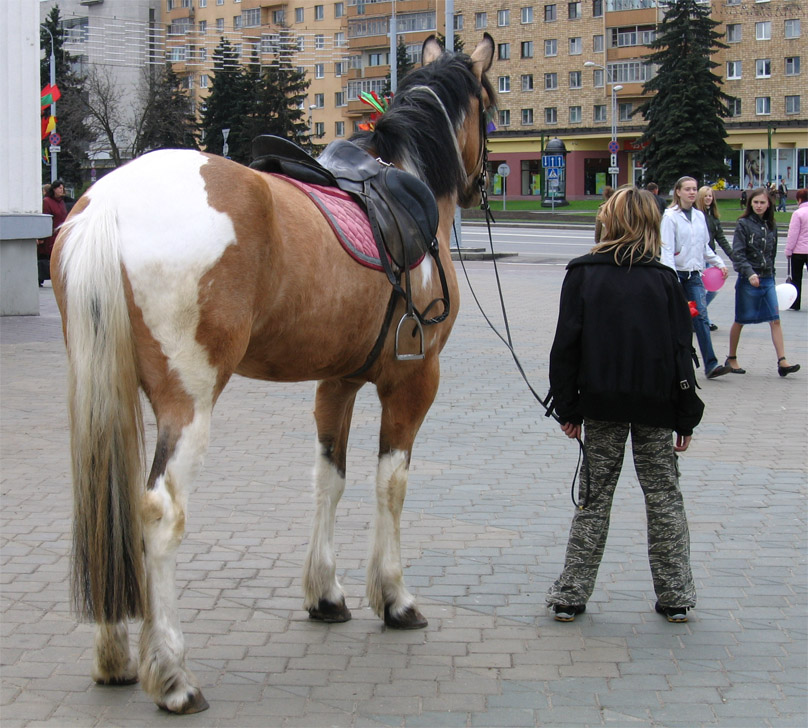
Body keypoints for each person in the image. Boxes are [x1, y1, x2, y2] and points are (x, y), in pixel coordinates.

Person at [546, 187, 703, 624]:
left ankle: (571, 595)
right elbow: (680, 353)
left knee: (594, 499)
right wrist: (686, 414)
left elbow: (566, 348)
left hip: (600, 403)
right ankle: (676, 596)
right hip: (656, 405)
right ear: (651, 227)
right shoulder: (665, 280)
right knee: (664, 497)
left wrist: (568, 408)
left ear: (609, 222)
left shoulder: (582, 273)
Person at [660, 176, 731, 379]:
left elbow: (704, 246)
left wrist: (719, 263)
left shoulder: (700, 216)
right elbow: (666, 250)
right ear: (678, 192)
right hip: (677, 275)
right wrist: (672, 277)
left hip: (694, 274)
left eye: (694, 189)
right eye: (688, 189)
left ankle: (711, 364)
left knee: (701, 316)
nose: (692, 192)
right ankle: (676, 365)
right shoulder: (670, 216)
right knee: (678, 320)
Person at [727, 187, 800, 376]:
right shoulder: (743, 224)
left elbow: (772, 253)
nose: (759, 206)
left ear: (769, 204)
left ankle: (782, 361)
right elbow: (738, 254)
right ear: (750, 203)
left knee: (775, 319)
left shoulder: (771, 225)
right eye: (756, 202)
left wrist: (771, 273)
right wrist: (750, 273)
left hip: (767, 278)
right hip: (748, 279)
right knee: (740, 319)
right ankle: (732, 357)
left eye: (762, 202)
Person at [696, 186, 733, 332]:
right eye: (705, 196)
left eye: (710, 196)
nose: (708, 198)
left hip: (710, 258)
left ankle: (699, 316)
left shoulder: (713, 216)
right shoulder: (697, 215)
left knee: (712, 290)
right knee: (698, 292)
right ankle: (701, 318)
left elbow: (721, 238)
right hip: (697, 259)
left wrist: (733, 256)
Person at [39, 179, 68, 287]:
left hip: (61, 234)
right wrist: (43, 235)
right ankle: (45, 277)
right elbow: (46, 219)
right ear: (54, 189)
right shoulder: (47, 201)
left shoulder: (61, 202)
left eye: (62, 188)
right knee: (50, 257)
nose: (62, 190)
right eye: (59, 188)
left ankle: (60, 277)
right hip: (51, 235)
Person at [785, 188, 808, 311]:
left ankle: (795, 303)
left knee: (796, 278)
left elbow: (793, 234)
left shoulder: (798, 213)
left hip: (798, 251)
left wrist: (788, 250)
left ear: (799, 199)